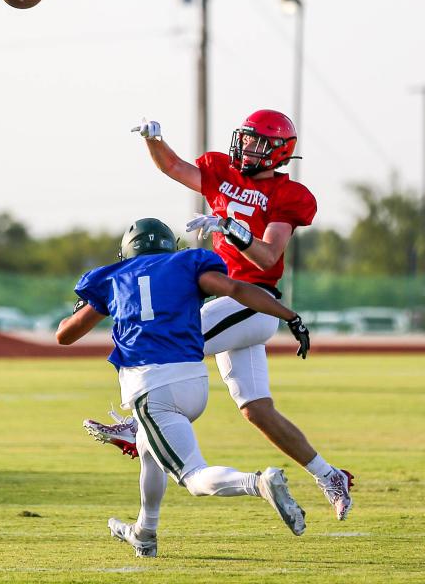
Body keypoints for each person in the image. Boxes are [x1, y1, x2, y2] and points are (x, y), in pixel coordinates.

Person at [84, 111, 354, 521]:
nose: (246, 147)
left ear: (279, 152)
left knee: (166, 341)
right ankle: (330, 475)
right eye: (245, 139)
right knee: (256, 410)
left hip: (251, 300)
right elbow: (173, 167)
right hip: (234, 309)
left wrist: (229, 227)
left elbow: (267, 256)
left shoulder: (287, 195)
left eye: (258, 142)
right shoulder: (222, 173)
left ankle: (138, 425)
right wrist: (153, 141)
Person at [57, 218, 312, 558]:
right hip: (193, 381)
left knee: (193, 476)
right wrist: (290, 316)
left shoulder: (112, 278)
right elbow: (237, 290)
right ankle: (144, 532)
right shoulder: (186, 264)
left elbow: (65, 335)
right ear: (169, 247)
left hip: (151, 387)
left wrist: (93, 302)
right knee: (149, 453)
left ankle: (258, 483)